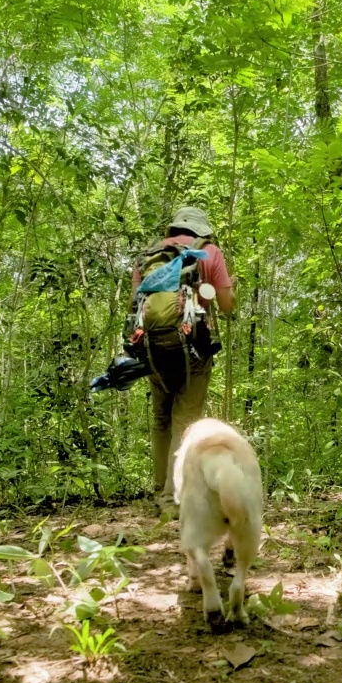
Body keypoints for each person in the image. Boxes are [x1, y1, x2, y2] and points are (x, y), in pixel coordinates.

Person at [129, 206, 234, 518]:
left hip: (153, 349)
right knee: (185, 422)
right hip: (193, 350)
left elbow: (135, 304)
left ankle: (158, 489)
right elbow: (227, 305)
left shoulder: (147, 256)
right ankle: (172, 497)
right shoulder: (209, 252)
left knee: (161, 419)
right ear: (202, 229)